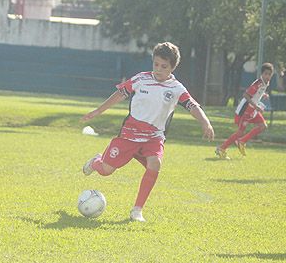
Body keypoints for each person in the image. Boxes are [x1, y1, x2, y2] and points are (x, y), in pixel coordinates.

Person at [81, 42, 214, 222]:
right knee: (106, 171)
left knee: (155, 164)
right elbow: (120, 94)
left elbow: (192, 106)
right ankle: (96, 161)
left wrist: (205, 123)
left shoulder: (176, 89)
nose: (158, 69)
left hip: (153, 138)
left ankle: (137, 210)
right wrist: (98, 111)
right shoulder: (140, 79)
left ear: (173, 67)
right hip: (129, 135)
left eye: (164, 66)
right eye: (156, 64)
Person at [216, 62, 274, 159]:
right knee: (240, 132)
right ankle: (221, 148)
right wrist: (256, 106)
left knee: (263, 126)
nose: (268, 76)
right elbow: (246, 95)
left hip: (253, 110)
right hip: (246, 109)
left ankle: (242, 141)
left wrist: (262, 95)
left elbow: (256, 94)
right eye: (266, 74)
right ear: (262, 74)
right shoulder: (258, 83)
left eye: (269, 74)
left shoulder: (265, 83)